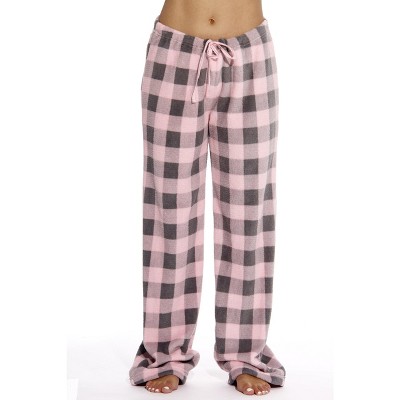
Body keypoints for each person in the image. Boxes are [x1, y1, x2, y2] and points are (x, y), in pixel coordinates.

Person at [129, 0, 285, 395]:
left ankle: (245, 353)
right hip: (175, 53)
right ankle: (164, 354)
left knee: (249, 213)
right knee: (170, 214)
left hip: (249, 55)